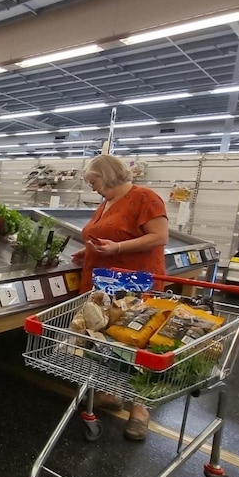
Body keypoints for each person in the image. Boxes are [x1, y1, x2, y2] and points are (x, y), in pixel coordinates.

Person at [70, 154, 169, 441]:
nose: (92, 187)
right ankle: (111, 391)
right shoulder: (106, 202)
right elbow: (100, 235)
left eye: (94, 181)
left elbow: (160, 236)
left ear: (109, 175)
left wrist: (117, 248)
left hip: (135, 284)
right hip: (104, 282)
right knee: (108, 338)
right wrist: (86, 251)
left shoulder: (146, 198)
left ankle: (140, 409)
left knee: (137, 339)